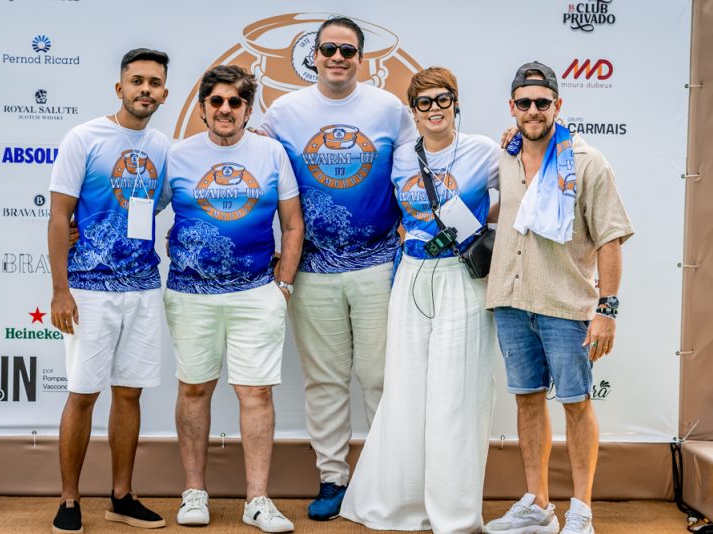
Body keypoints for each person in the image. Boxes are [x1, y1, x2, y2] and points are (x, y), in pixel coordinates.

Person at [256, 15, 417, 520]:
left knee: (379, 377)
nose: (338, 59)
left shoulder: (389, 109)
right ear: (314, 55)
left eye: (348, 51)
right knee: (324, 380)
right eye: (329, 49)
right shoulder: (284, 112)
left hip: (377, 263)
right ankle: (334, 478)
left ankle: (385, 480)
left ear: (361, 58)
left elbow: (422, 171)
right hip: (311, 267)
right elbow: (254, 170)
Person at [340, 66, 501, 534]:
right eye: (424, 102)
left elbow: (519, 196)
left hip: (462, 277)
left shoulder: (485, 152)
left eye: (442, 99)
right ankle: (400, 505)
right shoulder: (401, 158)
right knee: (407, 391)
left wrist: (476, 220)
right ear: (414, 111)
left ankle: (453, 516)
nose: (434, 109)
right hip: (410, 274)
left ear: (456, 102)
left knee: (458, 394)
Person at [484, 62, 633, 534]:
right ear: (512, 107)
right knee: (528, 401)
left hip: (566, 306)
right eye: (524, 103)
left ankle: (582, 510)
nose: (532, 111)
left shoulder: (588, 162)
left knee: (576, 403)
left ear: (558, 106)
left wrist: (606, 311)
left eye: (541, 103)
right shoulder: (504, 155)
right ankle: (538, 505)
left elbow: (610, 239)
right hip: (511, 299)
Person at [164, 65, 303, 533]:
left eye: (235, 102)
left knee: (256, 392)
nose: (225, 109)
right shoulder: (177, 155)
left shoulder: (270, 153)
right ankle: (193, 494)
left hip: (256, 292)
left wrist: (283, 284)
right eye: (217, 101)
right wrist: (84, 227)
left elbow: (292, 223)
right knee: (194, 388)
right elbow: (139, 210)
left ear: (248, 109)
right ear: (203, 107)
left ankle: (258, 501)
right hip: (190, 293)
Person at [47, 48, 171, 533]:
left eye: (154, 83)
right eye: (136, 81)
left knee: (129, 394)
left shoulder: (163, 146)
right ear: (119, 88)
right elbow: (60, 216)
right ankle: (70, 500)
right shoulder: (84, 138)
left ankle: (121, 497)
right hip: (89, 289)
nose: (145, 89)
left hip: (141, 286)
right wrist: (61, 290)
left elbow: (157, 205)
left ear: (164, 93)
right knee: (81, 394)